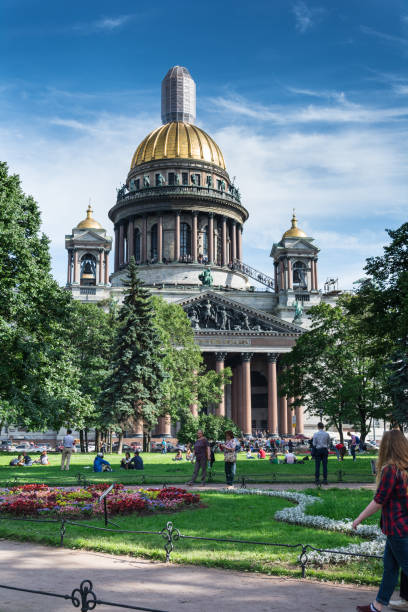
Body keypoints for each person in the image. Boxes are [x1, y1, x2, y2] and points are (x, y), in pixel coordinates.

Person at [354, 430, 408, 612]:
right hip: (402, 528)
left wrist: (359, 518)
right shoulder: (405, 469)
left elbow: (379, 501)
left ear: (386, 446)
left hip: (397, 529)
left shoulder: (391, 470)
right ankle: (377, 606)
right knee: (390, 568)